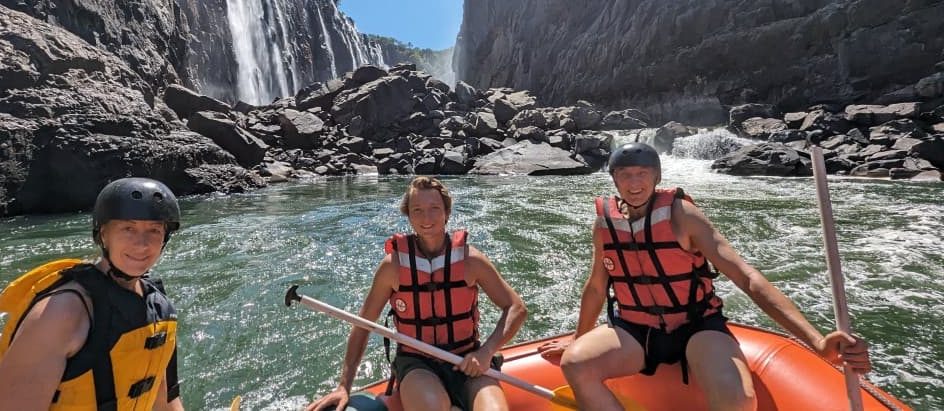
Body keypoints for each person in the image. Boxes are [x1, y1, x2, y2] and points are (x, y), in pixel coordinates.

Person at [539, 142, 872, 411]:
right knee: (576, 363)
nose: (634, 182)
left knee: (737, 400)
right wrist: (578, 339)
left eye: (643, 173)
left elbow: (747, 278)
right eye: (625, 174)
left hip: (696, 326)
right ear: (614, 179)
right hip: (634, 330)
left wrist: (815, 340)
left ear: (656, 177)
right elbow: (597, 288)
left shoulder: (682, 215)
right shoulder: (605, 224)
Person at [305, 176, 527, 411]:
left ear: (447, 213)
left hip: (468, 362)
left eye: (434, 209)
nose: (426, 218)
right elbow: (363, 325)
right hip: (418, 365)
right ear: (408, 215)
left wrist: (486, 352)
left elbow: (516, 308)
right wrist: (344, 386)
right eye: (417, 210)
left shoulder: (471, 260)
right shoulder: (393, 267)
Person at [0, 177, 185, 411]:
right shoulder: (61, 313)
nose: (141, 244)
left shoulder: (158, 307)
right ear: (103, 235)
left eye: (153, 230)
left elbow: (165, 401)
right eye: (128, 228)